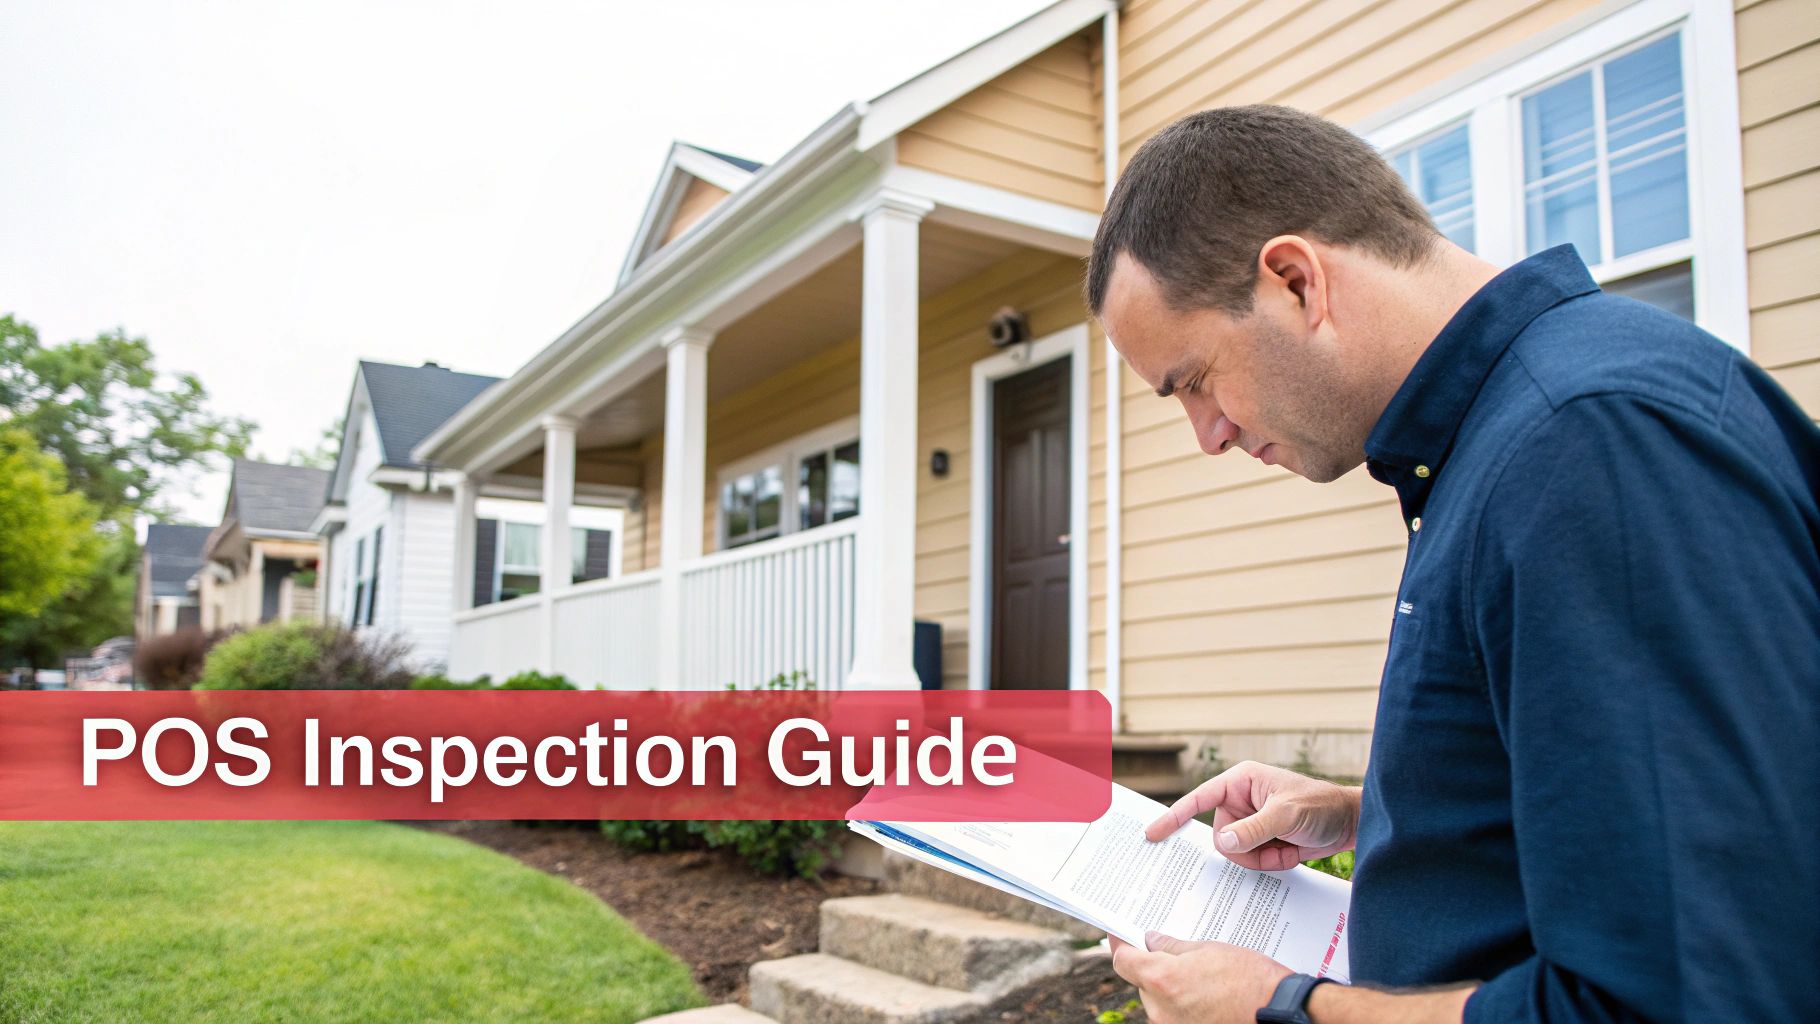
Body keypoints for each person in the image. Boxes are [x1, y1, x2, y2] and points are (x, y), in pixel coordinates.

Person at [1086, 105, 1820, 1024]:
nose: (1209, 434)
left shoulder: (1590, 448)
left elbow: (1683, 997)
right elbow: (1635, 809)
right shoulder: (1500, 441)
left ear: (1295, 281)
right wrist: (1381, 812)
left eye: (1194, 379)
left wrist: (1283, 1009)